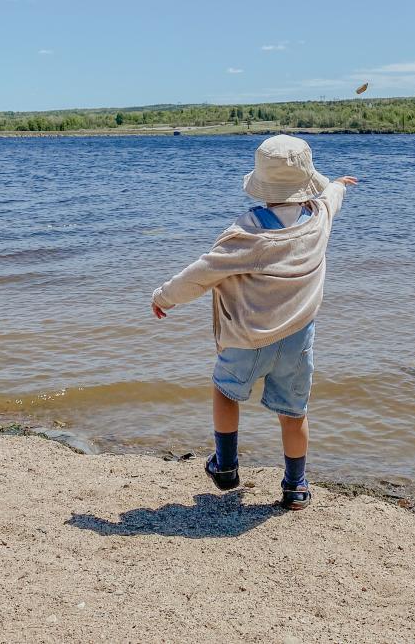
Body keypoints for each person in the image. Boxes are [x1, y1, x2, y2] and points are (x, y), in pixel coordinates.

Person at [151, 134, 356, 511]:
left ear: (261, 184)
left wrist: (164, 296)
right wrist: (337, 184)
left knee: (225, 391)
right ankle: (296, 487)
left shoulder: (247, 233)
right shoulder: (319, 219)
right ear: (307, 181)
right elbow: (331, 198)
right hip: (297, 337)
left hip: (247, 336)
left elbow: (202, 272)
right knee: (294, 413)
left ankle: (226, 466)